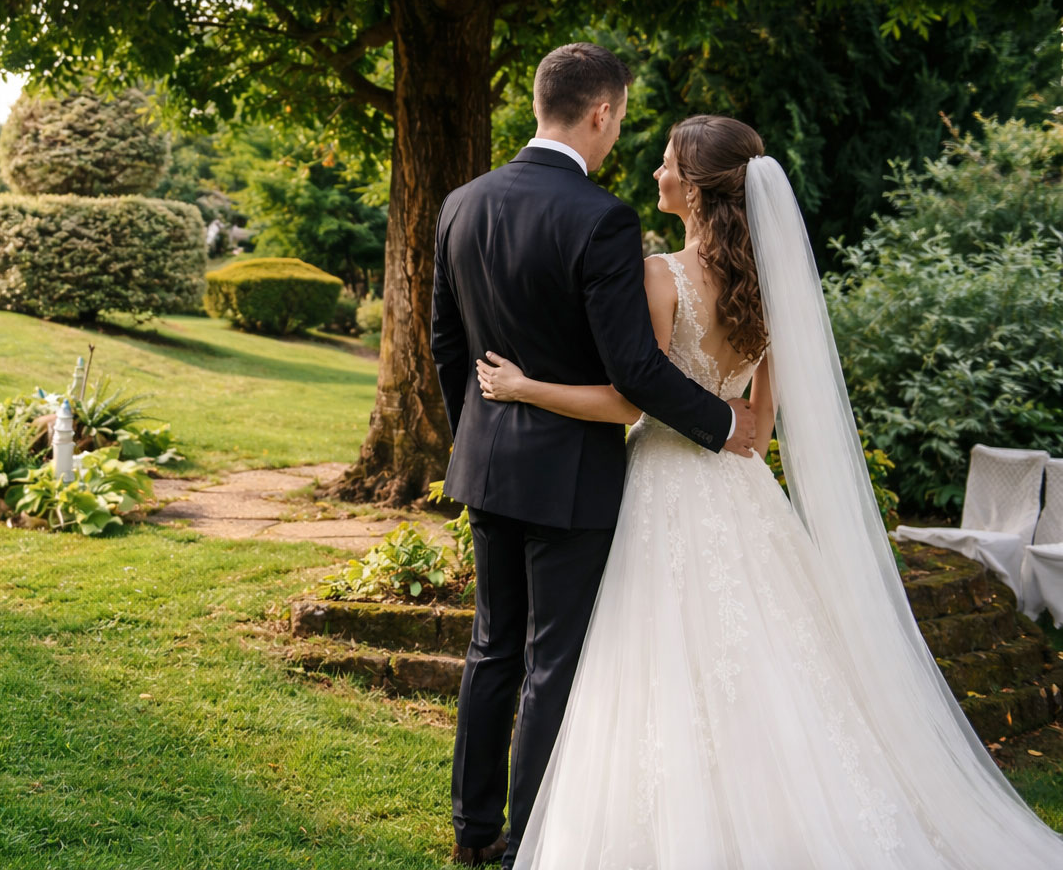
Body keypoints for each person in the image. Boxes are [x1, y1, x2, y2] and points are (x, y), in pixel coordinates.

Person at [475, 114, 1063, 867]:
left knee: (657, 654)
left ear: (692, 187)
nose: (654, 174)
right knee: (777, 660)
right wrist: (729, 420)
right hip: (744, 488)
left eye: (664, 165)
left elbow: (633, 398)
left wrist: (525, 386)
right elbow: (759, 426)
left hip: (664, 482)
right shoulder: (767, 289)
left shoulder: (660, 276)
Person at [430, 44, 758, 867]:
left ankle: (472, 831)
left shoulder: (461, 202)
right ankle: (524, 842)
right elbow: (637, 370)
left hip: (488, 464)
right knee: (551, 664)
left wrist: (476, 435)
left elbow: (445, 346)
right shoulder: (602, 218)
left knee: (490, 646)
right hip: (572, 478)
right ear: (601, 112)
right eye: (620, 124)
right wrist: (726, 426)